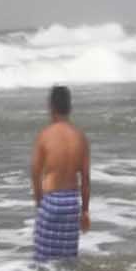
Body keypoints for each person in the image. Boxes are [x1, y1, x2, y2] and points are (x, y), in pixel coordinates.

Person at [31, 85, 90, 260]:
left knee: (42, 262)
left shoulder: (45, 135)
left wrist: (40, 202)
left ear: (51, 107)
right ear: (69, 108)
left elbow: (35, 174)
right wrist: (85, 211)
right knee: (68, 261)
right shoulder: (79, 137)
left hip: (52, 202)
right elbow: (85, 179)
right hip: (72, 204)